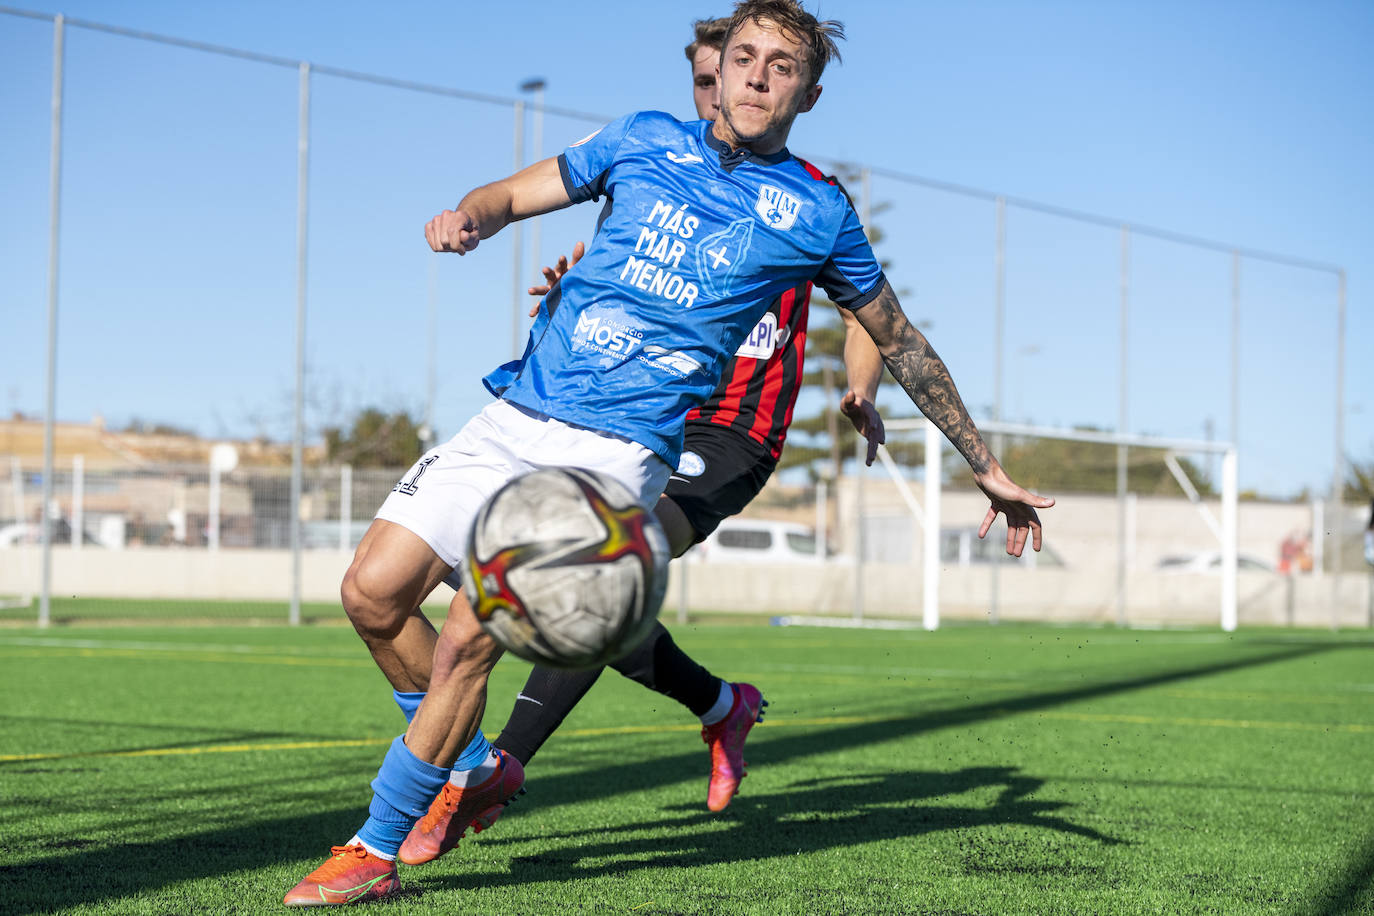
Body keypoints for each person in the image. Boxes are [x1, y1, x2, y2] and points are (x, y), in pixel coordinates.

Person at [285, 0, 1053, 905]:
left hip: (617, 455)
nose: (759, 75)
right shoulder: (641, 139)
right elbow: (517, 191)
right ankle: (474, 760)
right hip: (514, 413)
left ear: (808, 95)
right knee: (371, 595)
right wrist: (474, 217)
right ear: (717, 69)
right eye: (745, 56)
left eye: (782, 66)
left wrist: (980, 459)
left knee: (468, 640)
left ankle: (373, 848)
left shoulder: (817, 208)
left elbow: (898, 333)